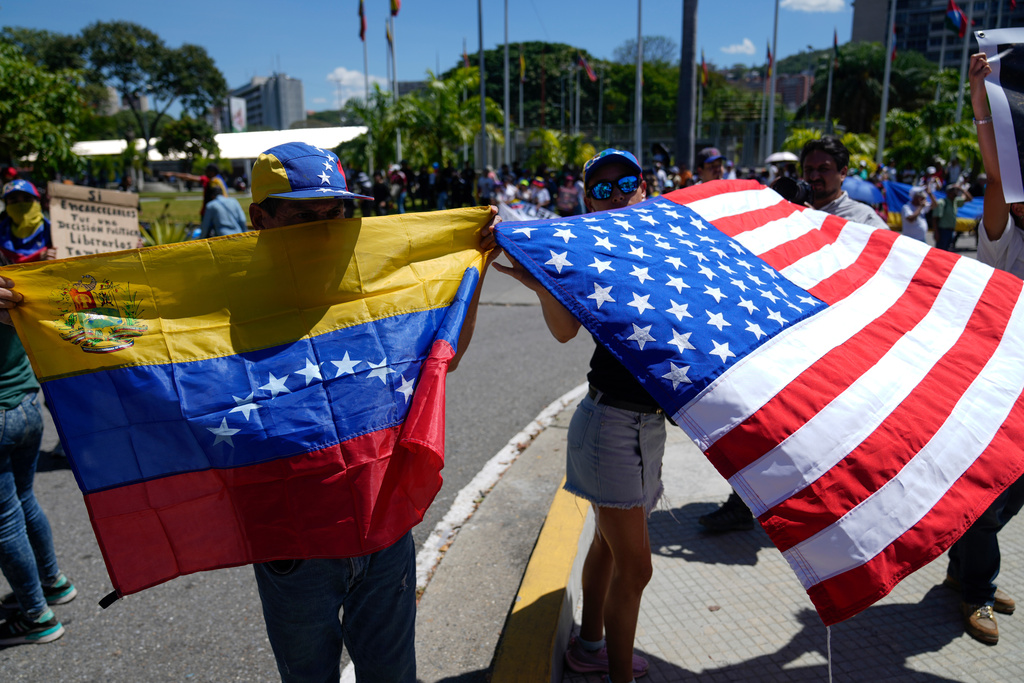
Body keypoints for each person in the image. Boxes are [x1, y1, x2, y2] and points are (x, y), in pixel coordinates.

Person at [243, 142, 498, 682]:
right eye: (303, 216)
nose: (325, 229)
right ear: (259, 219)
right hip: (294, 544)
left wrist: (474, 268)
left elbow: (440, 359)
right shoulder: (218, 302)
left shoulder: (373, 282)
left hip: (382, 530)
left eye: (335, 213)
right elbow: (129, 355)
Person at [494, 149, 657, 683]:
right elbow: (566, 332)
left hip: (639, 425)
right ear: (587, 200)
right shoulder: (587, 251)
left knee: (610, 547)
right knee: (637, 567)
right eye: (600, 189)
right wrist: (543, 281)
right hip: (612, 425)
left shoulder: (667, 242)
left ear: (645, 186)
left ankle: (589, 646)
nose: (614, 195)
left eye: (625, 183)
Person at [941, 51, 1024, 646]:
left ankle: (962, 570)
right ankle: (975, 590)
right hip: (998, 389)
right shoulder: (1004, 239)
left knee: (1011, 497)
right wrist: (983, 103)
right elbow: (1000, 175)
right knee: (990, 500)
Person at [0, 251, 77, 645]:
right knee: (24, 499)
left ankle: (36, 616)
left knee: (3, 519)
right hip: (27, 404)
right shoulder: (9, 274)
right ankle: (52, 582)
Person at [799, 135, 889, 229]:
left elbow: (887, 242)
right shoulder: (792, 211)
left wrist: (819, 222)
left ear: (843, 173)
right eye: (809, 170)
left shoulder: (864, 218)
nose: (814, 177)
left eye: (823, 169)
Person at [0, 180, 55, 263]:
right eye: (14, 201)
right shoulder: (1, 235)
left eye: (27, 199)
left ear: (38, 202)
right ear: (7, 206)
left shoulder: (54, 233)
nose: (21, 205)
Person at [933, 183, 973, 251]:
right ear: (948, 192)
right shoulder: (942, 202)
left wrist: (962, 189)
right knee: (940, 252)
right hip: (942, 231)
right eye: (954, 190)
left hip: (951, 230)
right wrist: (936, 232)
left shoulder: (955, 201)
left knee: (947, 252)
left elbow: (969, 199)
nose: (956, 192)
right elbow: (935, 218)